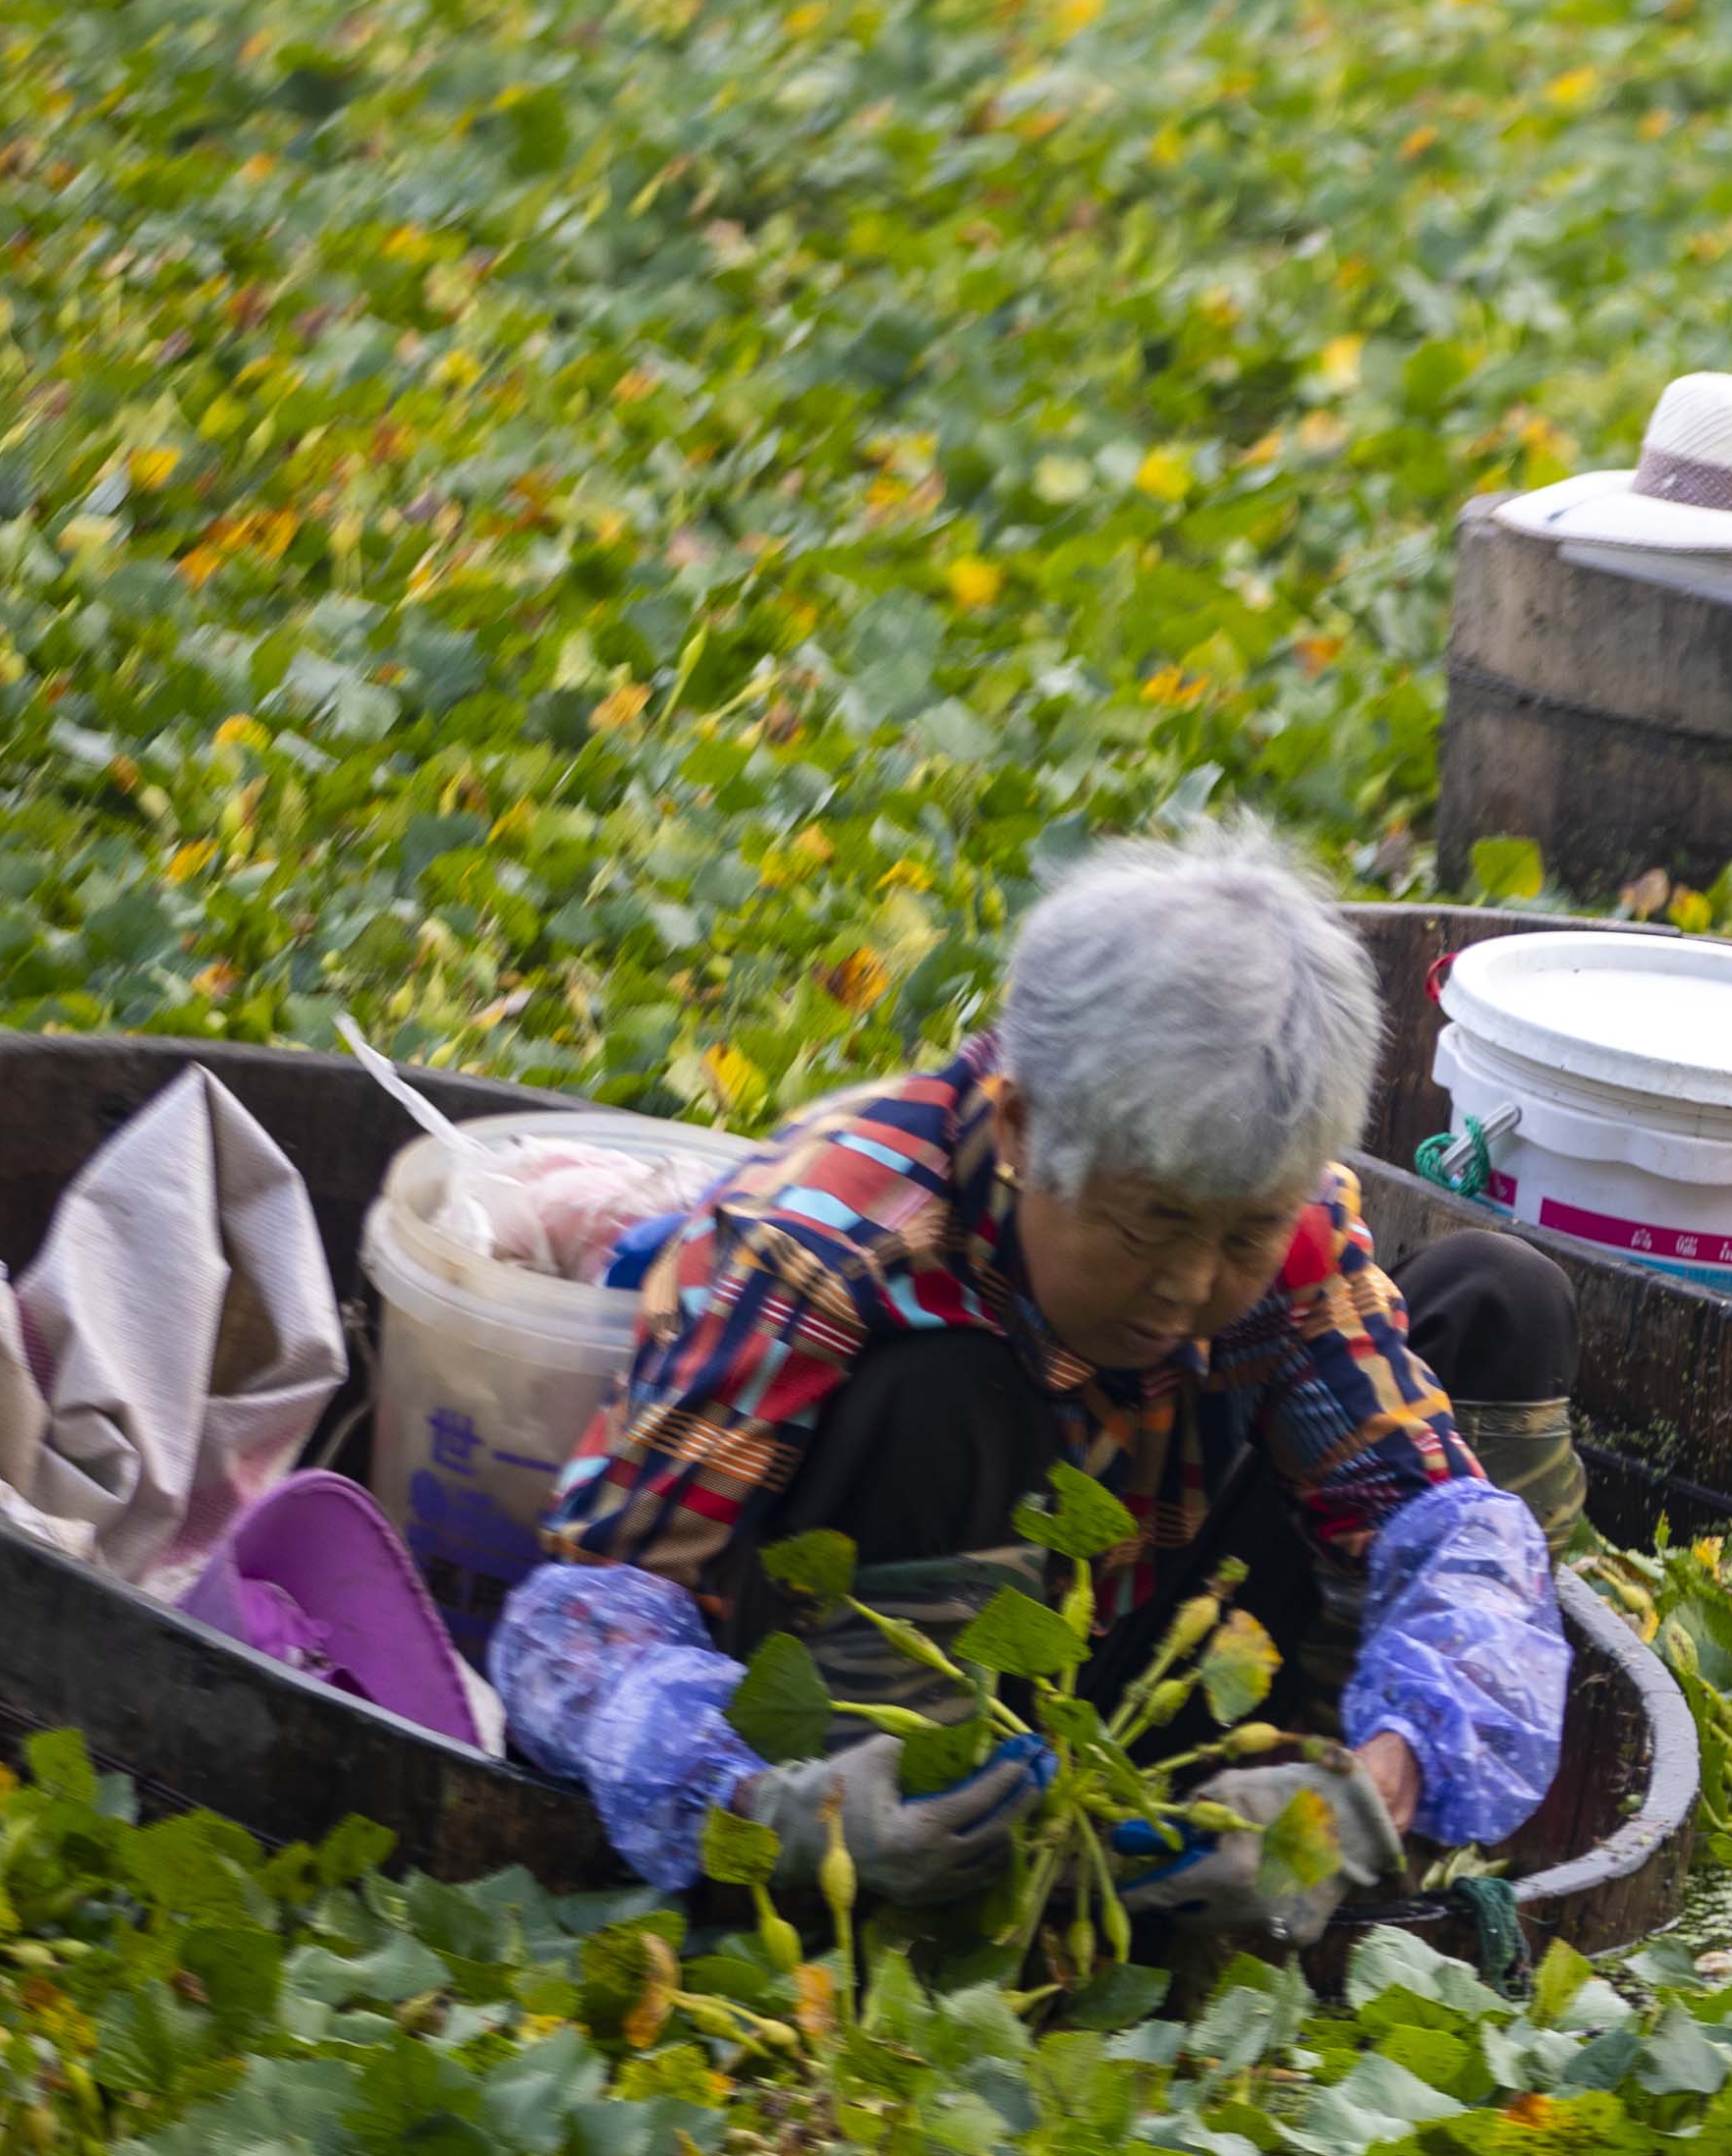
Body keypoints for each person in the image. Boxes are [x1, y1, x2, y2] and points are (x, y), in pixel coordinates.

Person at [489, 823, 1583, 1941]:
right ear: (1019, 1127)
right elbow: (578, 1626)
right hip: (879, 1726)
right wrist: (764, 1807)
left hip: (1152, 1687)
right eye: (1149, 1224)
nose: (1190, 1289)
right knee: (950, 1386)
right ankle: (939, 1870)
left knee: (1492, 1298)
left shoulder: (1288, 1227)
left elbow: (1442, 1529)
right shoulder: (821, 1245)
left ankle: (1290, 1849)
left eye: (1244, 1233)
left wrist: (1377, 1782)